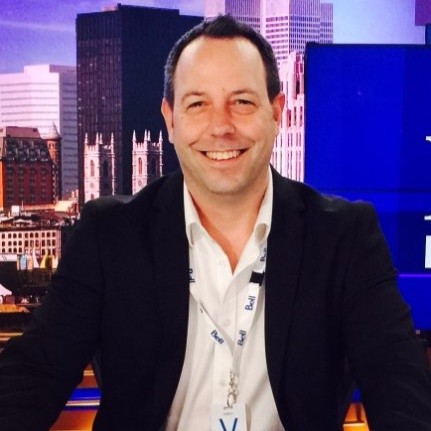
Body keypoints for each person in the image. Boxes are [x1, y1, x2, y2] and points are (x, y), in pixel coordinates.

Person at [0, 14, 430, 431]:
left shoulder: (344, 236)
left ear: (276, 112)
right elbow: (33, 374)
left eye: (242, 102)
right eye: (198, 104)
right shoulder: (109, 234)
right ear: (170, 120)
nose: (221, 127)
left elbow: (399, 383)